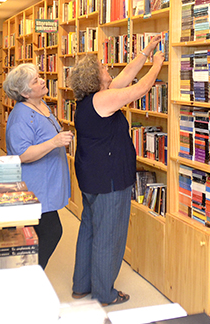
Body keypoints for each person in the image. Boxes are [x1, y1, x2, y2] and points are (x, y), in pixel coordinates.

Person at [68, 35, 164, 306]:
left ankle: (81, 285)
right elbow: (139, 89)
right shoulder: (104, 101)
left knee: (89, 229)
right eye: (101, 67)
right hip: (109, 180)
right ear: (94, 77)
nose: (106, 67)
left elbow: (127, 75)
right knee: (108, 236)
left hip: (91, 178)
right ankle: (104, 293)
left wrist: (145, 52)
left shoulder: (92, 100)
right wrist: (157, 65)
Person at [3, 63, 73, 269]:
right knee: (52, 232)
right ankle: (32, 275)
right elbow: (22, 154)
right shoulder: (21, 116)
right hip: (34, 188)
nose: (43, 81)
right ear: (25, 92)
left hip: (47, 185)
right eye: (36, 81)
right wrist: (54, 142)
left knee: (41, 234)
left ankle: (31, 274)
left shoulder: (42, 105)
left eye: (40, 77)